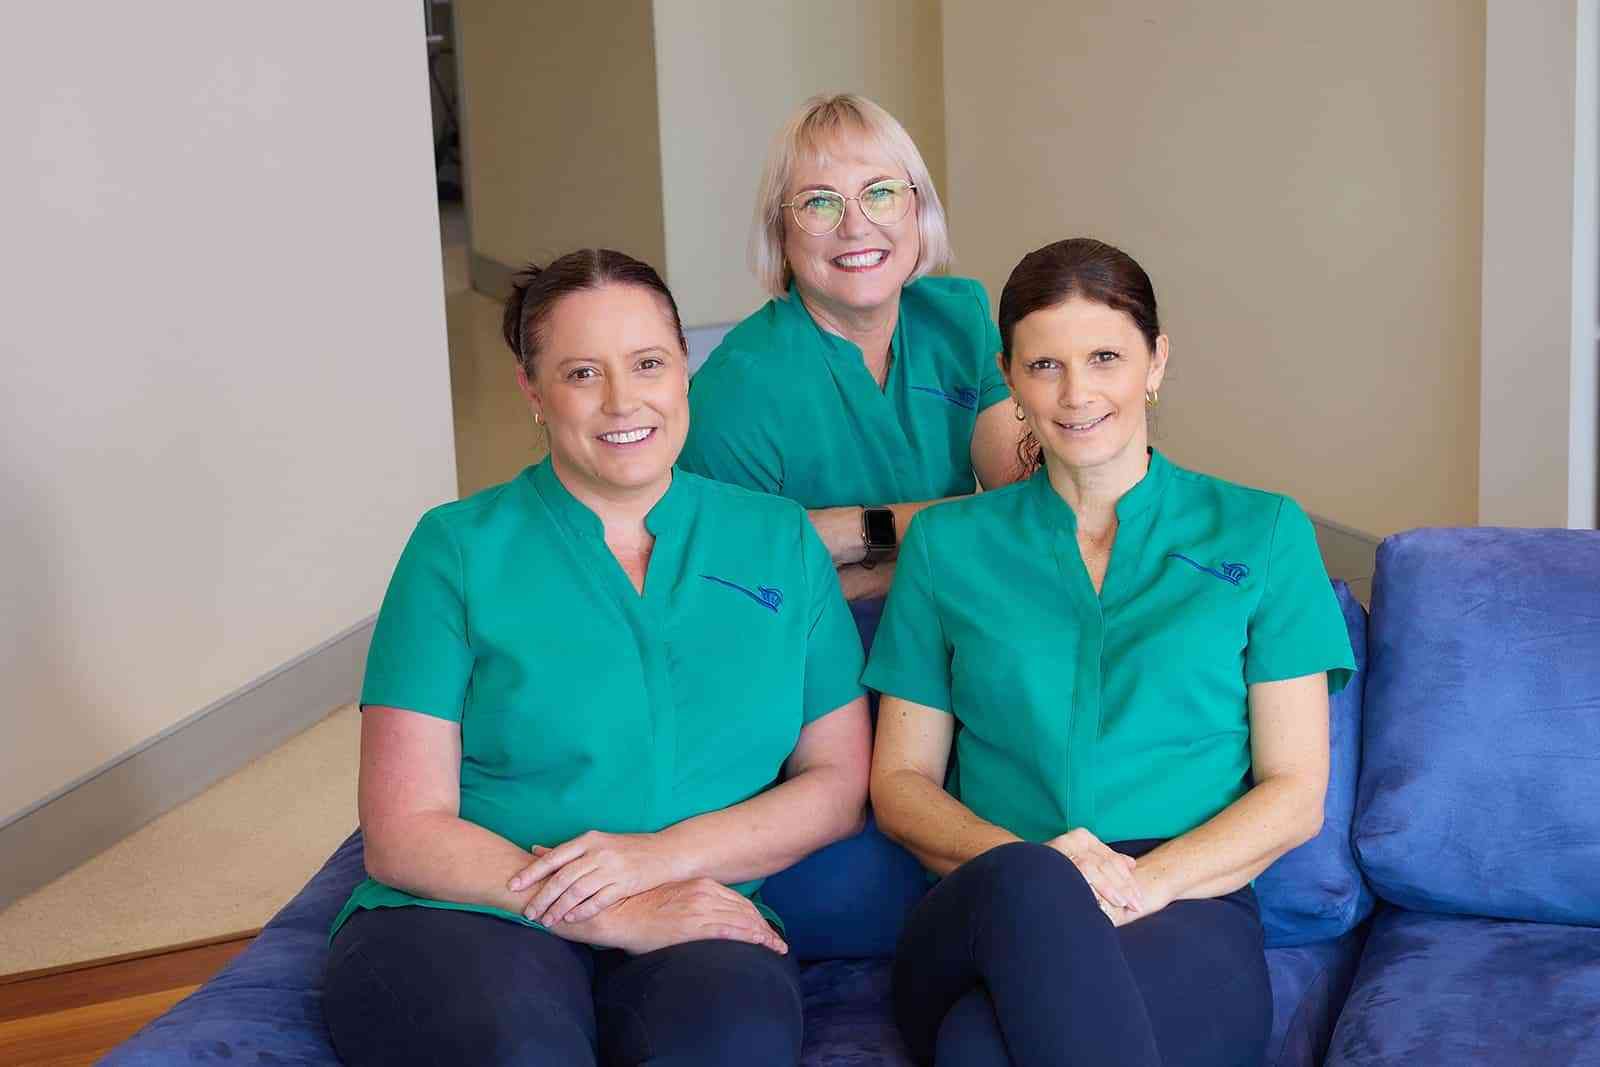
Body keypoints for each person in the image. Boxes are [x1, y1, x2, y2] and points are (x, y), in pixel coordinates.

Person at [321, 249, 871, 1067]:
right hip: (469, 908)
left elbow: (834, 786)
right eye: (583, 372)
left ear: (687, 370)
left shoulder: (779, 538)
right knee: (519, 1047)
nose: (624, 401)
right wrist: (605, 909)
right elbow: (403, 829)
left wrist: (653, 865)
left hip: (699, 905)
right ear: (532, 392)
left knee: (735, 1044)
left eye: (648, 363)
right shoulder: (457, 550)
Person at [864, 238, 1356, 1066]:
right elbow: (900, 785)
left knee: (980, 1051)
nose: (1076, 391)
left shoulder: (1264, 532)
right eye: (1045, 364)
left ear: (1155, 363)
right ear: (1010, 379)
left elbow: (1296, 791)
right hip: (989, 891)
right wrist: (1046, 870)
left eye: (1105, 357)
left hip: (1183, 897)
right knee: (1031, 883)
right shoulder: (947, 546)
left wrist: (1143, 884)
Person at [679, 93, 1024, 605]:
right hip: (806, 665)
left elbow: (1029, 509)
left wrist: (850, 531)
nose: (856, 226)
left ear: (918, 210)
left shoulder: (958, 319)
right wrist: (945, 541)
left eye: (880, 193)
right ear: (781, 234)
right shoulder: (736, 388)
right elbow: (732, 588)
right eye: (819, 202)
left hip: (951, 627)